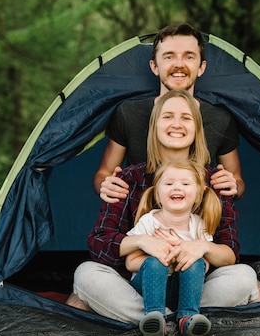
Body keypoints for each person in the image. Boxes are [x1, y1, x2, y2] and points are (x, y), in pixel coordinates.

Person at [68, 90, 260, 331]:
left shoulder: (215, 182)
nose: (177, 124)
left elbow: (230, 253)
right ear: (154, 126)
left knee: (244, 277)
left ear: (197, 129)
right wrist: (143, 242)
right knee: (86, 274)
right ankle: (169, 321)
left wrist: (201, 247)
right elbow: (99, 244)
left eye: (186, 118)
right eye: (167, 117)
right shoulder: (129, 178)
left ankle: (170, 320)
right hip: (137, 289)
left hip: (197, 290)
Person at [95, 23, 245, 204]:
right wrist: (106, 185)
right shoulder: (128, 113)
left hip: (195, 222)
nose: (179, 64)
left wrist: (233, 186)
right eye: (169, 57)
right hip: (139, 220)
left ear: (201, 67)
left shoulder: (220, 118)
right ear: (154, 66)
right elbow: (104, 173)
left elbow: (236, 179)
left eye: (189, 57)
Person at [127, 159, 221, 336]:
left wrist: (180, 254)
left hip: (181, 289)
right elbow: (130, 262)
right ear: (157, 193)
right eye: (169, 183)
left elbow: (206, 263)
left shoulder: (198, 225)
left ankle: (187, 319)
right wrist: (163, 258)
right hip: (148, 286)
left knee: (196, 262)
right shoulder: (149, 221)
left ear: (198, 194)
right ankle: (155, 319)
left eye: (185, 183)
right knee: (155, 262)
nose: (177, 188)